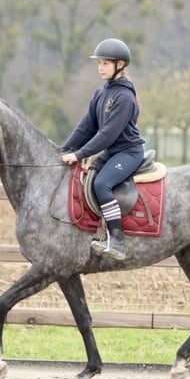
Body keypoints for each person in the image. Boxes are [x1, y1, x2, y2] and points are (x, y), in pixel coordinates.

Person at [61, 38, 146, 260]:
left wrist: (79, 154)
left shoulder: (125, 97)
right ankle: (97, 231)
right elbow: (86, 127)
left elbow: (107, 134)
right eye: (99, 63)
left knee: (101, 183)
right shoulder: (101, 93)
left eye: (106, 63)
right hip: (112, 152)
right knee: (86, 179)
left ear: (120, 65)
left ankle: (117, 239)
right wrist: (64, 150)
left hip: (128, 152)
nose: (101, 68)